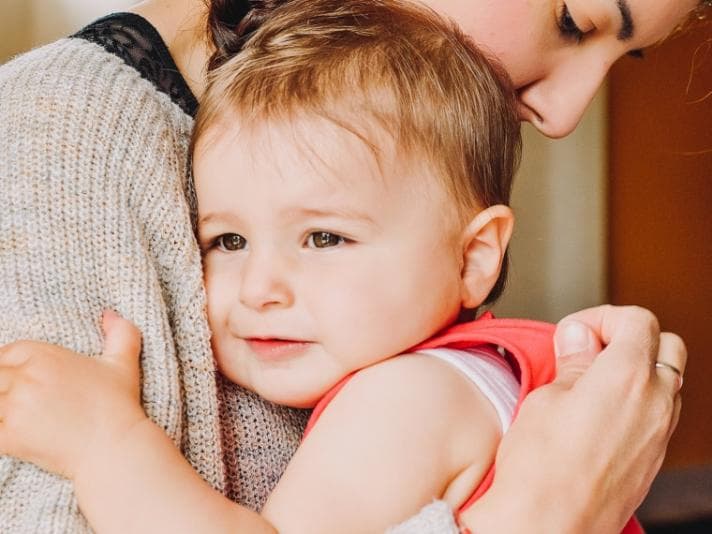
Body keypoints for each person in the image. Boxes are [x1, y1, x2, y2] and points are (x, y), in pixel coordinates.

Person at [0, 0, 699, 531]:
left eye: (326, 238)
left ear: (475, 255)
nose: (565, 114)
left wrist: (106, 446)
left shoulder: (410, 397)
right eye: (228, 242)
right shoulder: (64, 132)